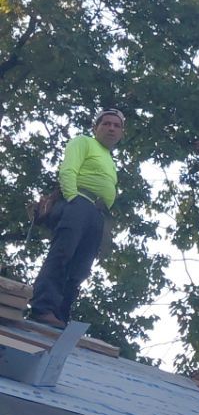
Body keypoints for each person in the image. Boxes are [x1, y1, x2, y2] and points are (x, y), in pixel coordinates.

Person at [29, 108, 126, 327]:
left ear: (121, 133)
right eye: (106, 123)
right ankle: (43, 308)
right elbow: (68, 170)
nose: (111, 128)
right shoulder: (84, 142)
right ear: (96, 128)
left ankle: (60, 316)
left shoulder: (108, 158)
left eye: (116, 125)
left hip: (96, 213)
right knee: (63, 253)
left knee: (81, 267)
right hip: (79, 203)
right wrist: (73, 199)